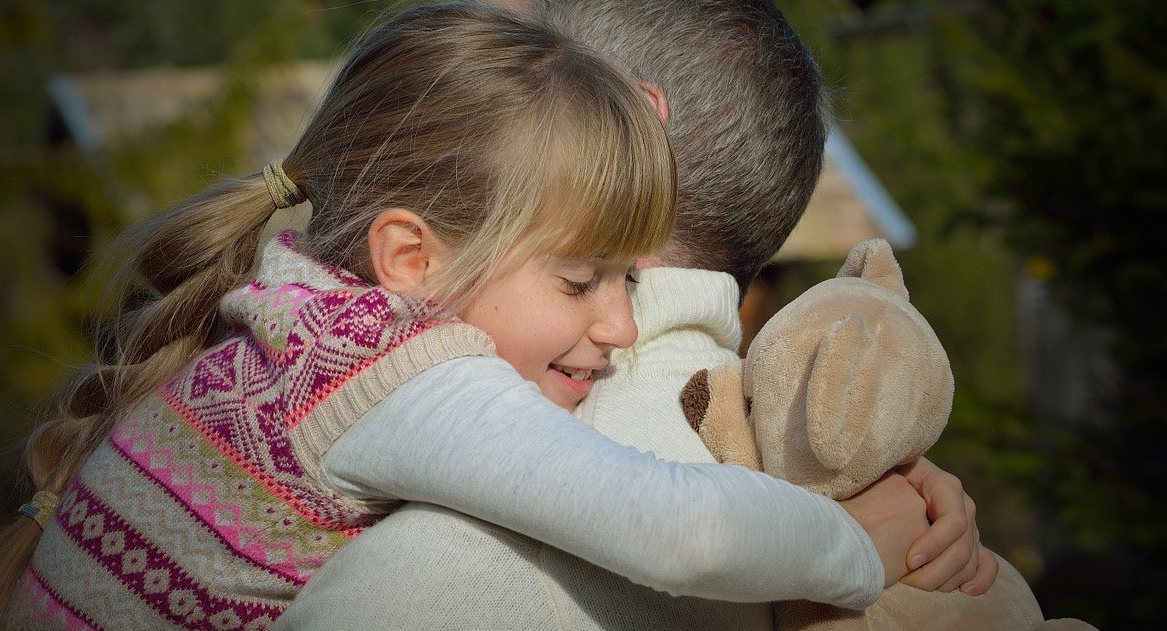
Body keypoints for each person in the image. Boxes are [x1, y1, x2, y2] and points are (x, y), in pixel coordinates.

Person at [0, 4, 930, 630]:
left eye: (625, 282)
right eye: (582, 280)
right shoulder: (404, 379)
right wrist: (855, 550)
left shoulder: (293, 295)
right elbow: (681, 532)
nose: (621, 327)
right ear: (413, 260)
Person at [278, 1, 998, 629]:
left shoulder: (435, 571)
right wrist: (863, 518)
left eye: (525, 47)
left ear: (634, 120)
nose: (616, 325)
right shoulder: (837, 493)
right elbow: (683, 525)